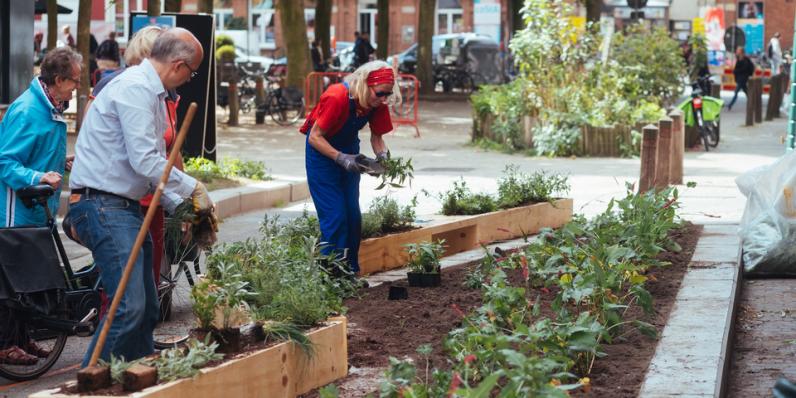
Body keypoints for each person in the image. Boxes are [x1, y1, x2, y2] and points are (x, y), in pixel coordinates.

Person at [67, 27, 215, 365]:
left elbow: (143, 174)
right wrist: (193, 188)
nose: (188, 79)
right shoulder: (135, 89)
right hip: (103, 206)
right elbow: (146, 161)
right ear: (178, 65)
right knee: (128, 306)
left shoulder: (150, 92)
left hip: (123, 206)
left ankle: (138, 377)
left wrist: (181, 206)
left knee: (148, 306)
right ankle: (93, 383)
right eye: (191, 73)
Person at [84, 25, 183, 316]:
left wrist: (181, 194)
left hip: (154, 199)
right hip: (120, 200)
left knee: (147, 282)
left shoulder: (167, 96)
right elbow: (107, 144)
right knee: (123, 286)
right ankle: (111, 350)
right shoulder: (121, 87)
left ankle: (138, 346)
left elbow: (169, 149)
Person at [0, 47, 82, 365]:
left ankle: (23, 339)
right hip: (15, 209)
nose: (77, 88)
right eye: (74, 81)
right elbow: (6, 160)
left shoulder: (48, 106)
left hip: (36, 206)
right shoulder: (27, 110)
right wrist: (36, 175)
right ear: (58, 79)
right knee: (13, 278)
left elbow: (35, 150)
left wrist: (60, 162)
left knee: (28, 277)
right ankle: (6, 343)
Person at [300, 60, 400, 276]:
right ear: (366, 85)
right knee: (335, 216)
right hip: (322, 155)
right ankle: (329, 276)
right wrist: (341, 158)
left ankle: (349, 273)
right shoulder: (337, 96)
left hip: (349, 151)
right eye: (380, 93)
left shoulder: (376, 104)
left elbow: (377, 137)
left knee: (353, 217)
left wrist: (383, 158)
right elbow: (315, 138)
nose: (384, 99)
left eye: (388, 95)